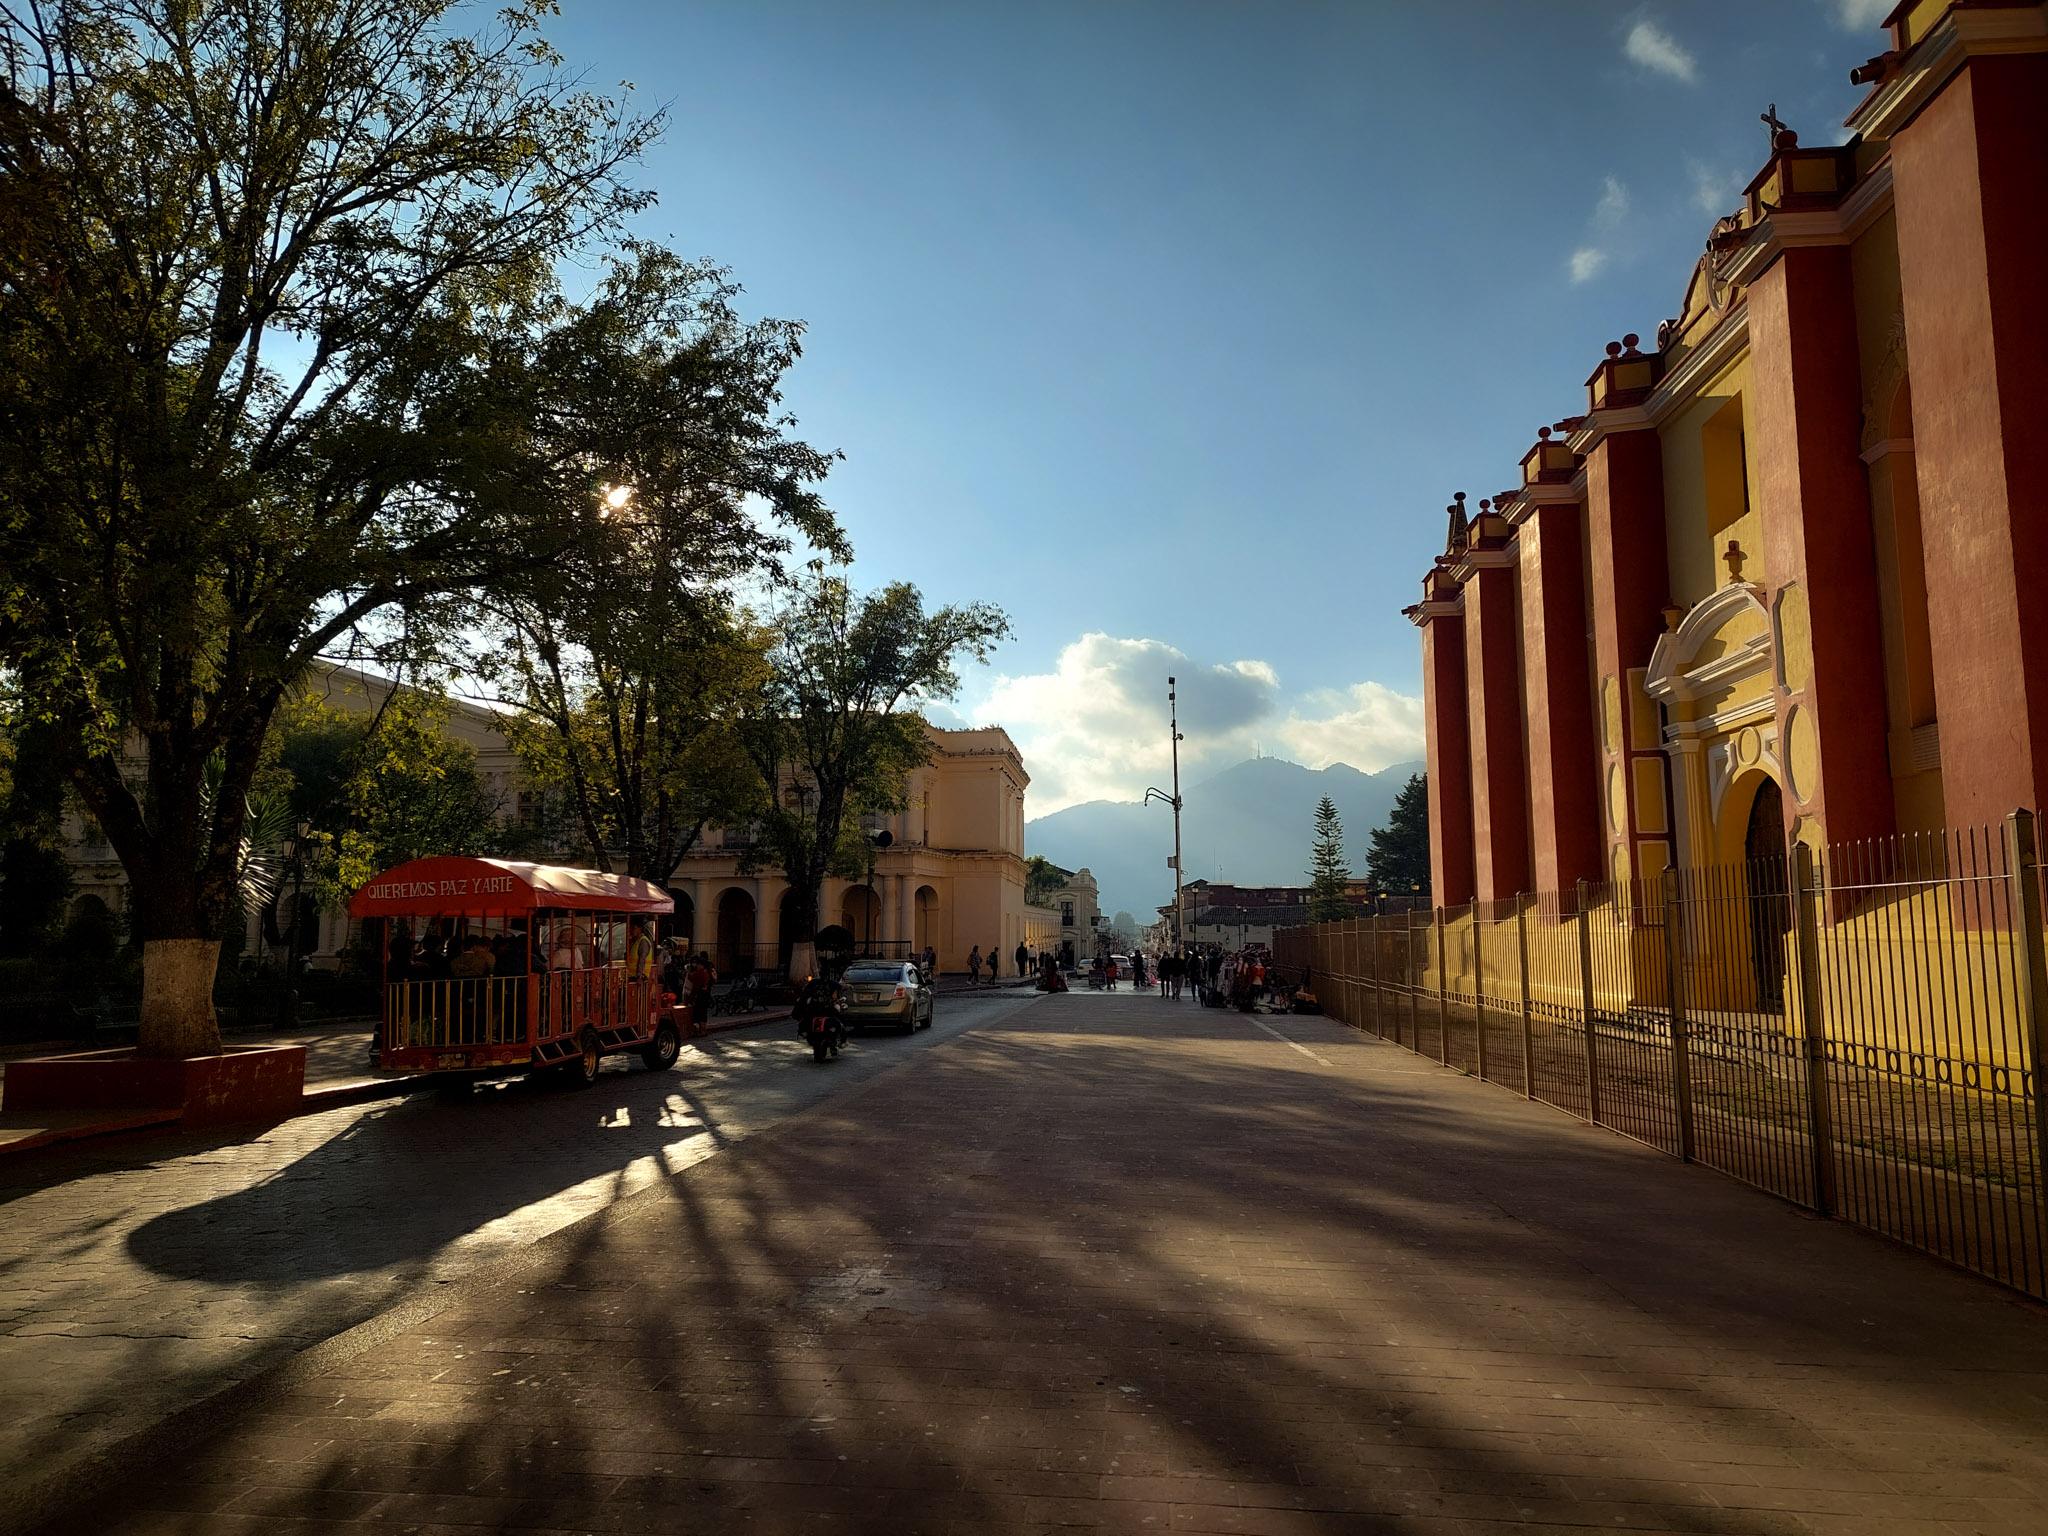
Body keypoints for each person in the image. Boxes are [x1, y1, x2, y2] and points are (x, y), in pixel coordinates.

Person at [625, 915, 655, 983]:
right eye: (631, 928)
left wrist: (639, 976)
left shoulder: (643, 941)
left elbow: (642, 959)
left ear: (640, 929)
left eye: (634, 928)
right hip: (631, 976)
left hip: (638, 978)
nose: (632, 930)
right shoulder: (635, 941)